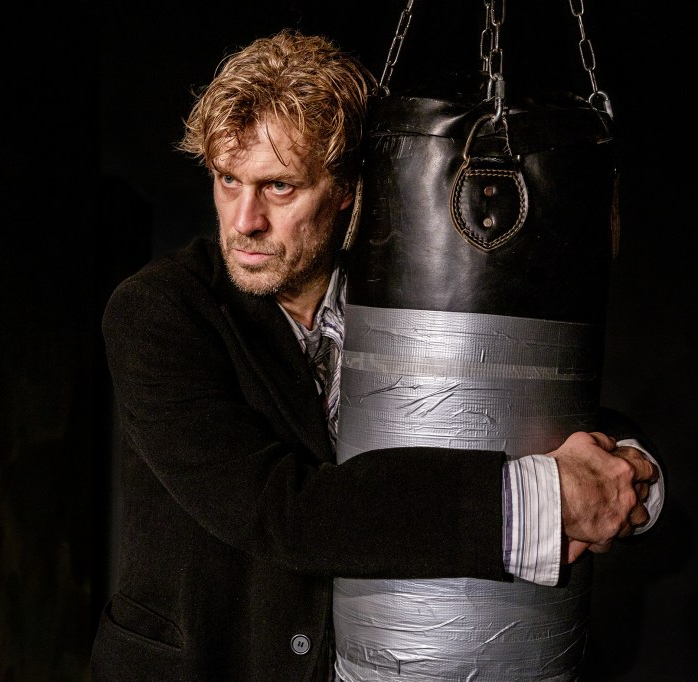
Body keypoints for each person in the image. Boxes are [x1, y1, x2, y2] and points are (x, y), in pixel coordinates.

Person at [91, 29, 663, 681]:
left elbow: (504, 405)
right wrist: (541, 499)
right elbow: (282, 509)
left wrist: (622, 469)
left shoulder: (399, 294)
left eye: (279, 187)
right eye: (228, 180)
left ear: (345, 188)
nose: (244, 220)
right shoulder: (158, 311)